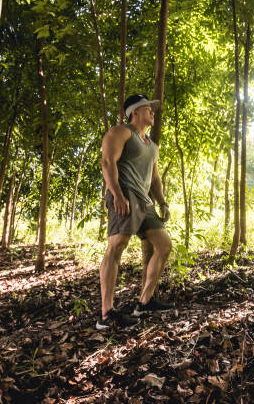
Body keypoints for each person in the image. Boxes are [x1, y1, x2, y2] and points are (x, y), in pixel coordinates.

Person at [96, 94, 174, 330]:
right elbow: (108, 163)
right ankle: (106, 314)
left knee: (164, 246)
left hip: (145, 201)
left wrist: (162, 202)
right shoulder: (121, 132)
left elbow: (155, 178)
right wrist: (117, 195)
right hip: (125, 195)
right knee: (117, 245)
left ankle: (144, 302)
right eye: (148, 109)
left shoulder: (152, 145)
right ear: (135, 112)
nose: (153, 112)